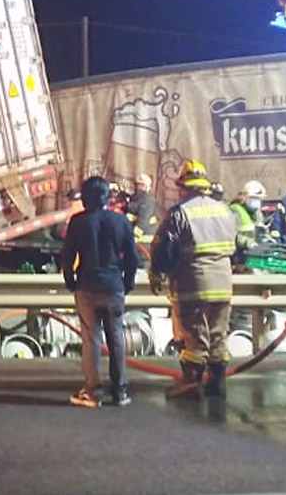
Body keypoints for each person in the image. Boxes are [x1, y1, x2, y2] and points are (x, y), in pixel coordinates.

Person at [148, 159, 236, 399]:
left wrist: (157, 273)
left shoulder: (180, 212)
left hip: (193, 283)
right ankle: (217, 386)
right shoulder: (225, 210)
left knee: (193, 335)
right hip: (224, 284)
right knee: (218, 335)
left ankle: (190, 386)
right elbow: (236, 249)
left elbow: (165, 248)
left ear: (184, 186)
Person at [61, 176, 140, 408]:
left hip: (87, 286)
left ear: (85, 198)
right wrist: (128, 282)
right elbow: (132, 259)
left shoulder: (78, 222)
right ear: (108, 197)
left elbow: (68, 256)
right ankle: (120, 391)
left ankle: (93, 391)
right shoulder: (121, 221)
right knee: (116, 337)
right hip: (114, 286)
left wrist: (70, 280)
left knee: (91, 339)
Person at [230, 180, 269, 267]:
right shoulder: (235, 210)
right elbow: (231, 235)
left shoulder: (257, 213)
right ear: (245, 197)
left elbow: (261, 230)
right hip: (239, 259)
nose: (257, 202)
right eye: (255, 198)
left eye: (259, 199)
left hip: (254, 257)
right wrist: (248, 243)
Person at [125, 173, 159, 245]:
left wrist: (135, 236)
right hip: (133, 238)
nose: (137, 187)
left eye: (140, 185)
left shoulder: (148, 201)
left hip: (143, 240)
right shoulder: (135, 199)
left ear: (146, 187)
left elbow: (143, 221)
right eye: (136, 184)